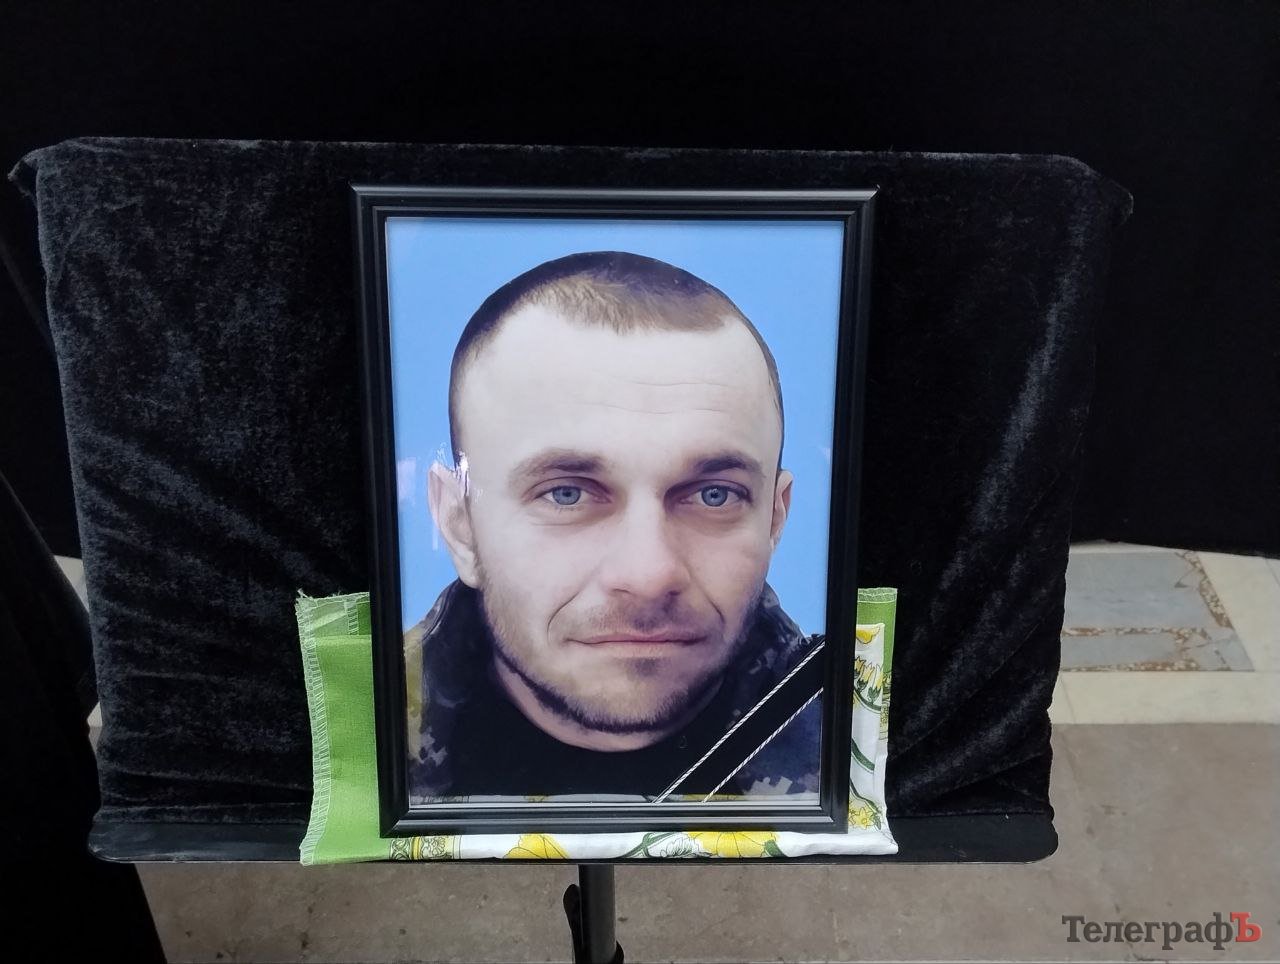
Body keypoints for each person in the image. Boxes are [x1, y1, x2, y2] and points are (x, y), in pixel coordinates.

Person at [406, 250, 822, 801]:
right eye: (567, 494)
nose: (648, 575)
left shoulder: (849, 743)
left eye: (714, 495)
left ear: (774, 518)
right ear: (459, 525)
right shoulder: (364, 744)